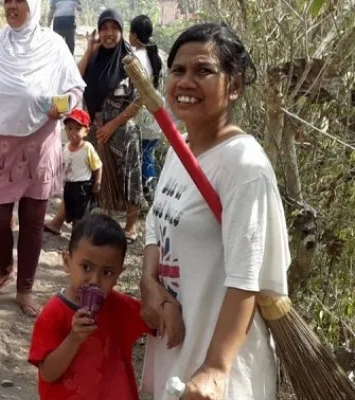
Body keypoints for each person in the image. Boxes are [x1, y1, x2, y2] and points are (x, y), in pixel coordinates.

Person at [139, 22, 289, 400]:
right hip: (174, 352)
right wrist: (150, 284)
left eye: (203, 71)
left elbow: (246, 277)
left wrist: (216, 369)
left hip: (219, 374)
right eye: (178, 71)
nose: (186, 81)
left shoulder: (245, 168)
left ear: (234, 86)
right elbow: (157, 225)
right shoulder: (178, 150)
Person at [0, 0, 86, 316]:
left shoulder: (54, 45)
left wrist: (62, 106)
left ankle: (24, 288)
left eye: (19, 0)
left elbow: (74, 88)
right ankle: (5, 266)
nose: (12, 6)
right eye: (7, 0)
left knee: (32, 222)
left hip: (39, 142)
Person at [28, 213, 155, 399]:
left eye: (107, 272)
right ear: (67, 262)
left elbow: (154, 320)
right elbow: (48, 373)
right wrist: (74, 338)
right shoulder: (53, 313)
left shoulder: (120, 307)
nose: (94, 280)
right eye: (86, 267)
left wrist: (166, 307)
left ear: (119, 274)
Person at [79, 8, 145, 243]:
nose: (108, 33)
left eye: (114, 28)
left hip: (122, 132)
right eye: (104, 28)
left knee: (129, 177)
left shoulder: (130, 62)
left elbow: (141, 99)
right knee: (96, 176)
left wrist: (113, 125)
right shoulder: (95, 58)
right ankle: (99, 223)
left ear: (121, 30)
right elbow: (76, 79)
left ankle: (130, 227)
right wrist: (89, 51)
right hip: (96, 128)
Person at [129, 14, 164, 201]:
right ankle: (151, 193)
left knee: (141, 158)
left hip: (140, 116)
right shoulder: (159, 55)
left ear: (134, 35)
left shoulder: (134, 59)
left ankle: (149, 195)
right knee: (148, 155)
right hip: (157, 116)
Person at [61, 108, 102, 226]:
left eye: (78, 129)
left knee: (81, 213)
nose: (72, 132)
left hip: (82, 186)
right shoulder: (66, 147)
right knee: (71, 212)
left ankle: (78, 234)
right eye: (69, 128)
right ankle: (76, 230)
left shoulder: (87, 148)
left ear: (86, 131)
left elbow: (98, 166)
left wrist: (97, 182)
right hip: (69, 185)